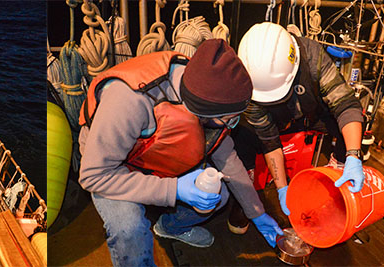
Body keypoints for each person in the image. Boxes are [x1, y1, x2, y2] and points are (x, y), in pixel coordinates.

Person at [77, 39, 282, 266]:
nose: (232, 125)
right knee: (130, 229)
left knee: (218, 194)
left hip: (156, 155)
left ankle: (170, 227)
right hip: (112, 169)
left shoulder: (206, 93)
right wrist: (174, 190)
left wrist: (256, 212)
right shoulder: (128, 101)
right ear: (204, 111)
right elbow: (93, 176)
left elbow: (226, 157)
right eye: (230, 119)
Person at [231, 22, 365, 220]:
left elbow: (345, 103)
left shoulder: (313, 57)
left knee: (350, 122)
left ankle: (341, 168)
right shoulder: (248, 83)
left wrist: (353, 153)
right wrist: (282, 188)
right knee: (242, 133)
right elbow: (269, 141)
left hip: (313, 114)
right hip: (278, 120)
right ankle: (246, 192)